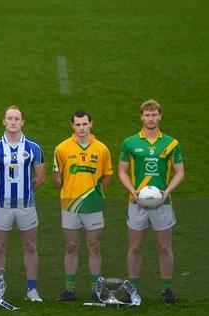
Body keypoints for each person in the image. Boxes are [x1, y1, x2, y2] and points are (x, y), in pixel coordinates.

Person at [118, 99, 184, 304]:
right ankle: (133, 291)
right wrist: (133, 191)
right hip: (136, 203)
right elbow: (122, 171)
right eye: (147, 115)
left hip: (162, 204)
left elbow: (180, 173)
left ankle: (166, 290)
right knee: (135, 247)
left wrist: (166, 193)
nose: (150, 118)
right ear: (141, 117)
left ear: (160, 116)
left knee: (164, 247)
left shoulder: (171, 143)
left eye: (154, 114)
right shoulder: (130, 142)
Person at [0, 106, 46, 302]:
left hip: (26, 206)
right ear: (4, 121)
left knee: (30, 245)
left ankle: (32, 290)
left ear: (22, 122)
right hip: (2, 205)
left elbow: (40, 177)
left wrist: (25, 193)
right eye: (9, 118)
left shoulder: (33, 147)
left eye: (16, 118)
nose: (13, 122)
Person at [53, 111, 112, 302]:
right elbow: (56, 176)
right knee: (71, 246)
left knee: (94, 246)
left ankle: (96, 291)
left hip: (93, 205)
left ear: (91, 124)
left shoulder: (102, 149)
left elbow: (107, 176)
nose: (81, 128)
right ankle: (69, 290)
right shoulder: (62, 148)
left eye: (84, 124)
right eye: (77, 125)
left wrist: (94, 193)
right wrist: (69, 189)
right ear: (72, 126)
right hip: (70, 205)